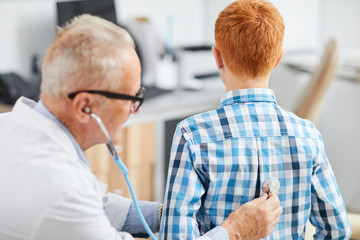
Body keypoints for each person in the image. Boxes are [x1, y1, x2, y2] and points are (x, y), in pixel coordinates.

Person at [0, 14, 282, 240]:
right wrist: (234, 231)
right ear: (85, 106)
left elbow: (98, 204)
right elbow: (79, 206)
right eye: (132, 98)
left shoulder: (11, 125)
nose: (136, 109)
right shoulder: (60, 193)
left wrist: (170, 215)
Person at [159, 0, 352, 239]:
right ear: (277, 58)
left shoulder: (192, 135)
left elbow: (174, 234)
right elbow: (337, 229)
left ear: (217, 57)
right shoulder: (308, 135)